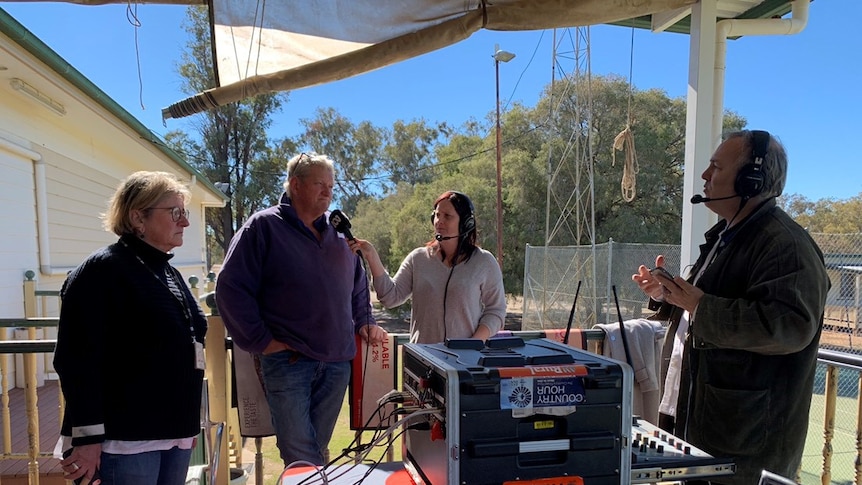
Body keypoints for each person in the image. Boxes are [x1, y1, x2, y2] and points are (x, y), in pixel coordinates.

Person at [631, 130, 830, 484]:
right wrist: (666, 296)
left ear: (751, 180)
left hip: (744, 448)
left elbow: (790, 327)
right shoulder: (725, 237)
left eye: (716, 167)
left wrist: (701, 305)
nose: (705, 177)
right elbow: (701, 306)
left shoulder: (785, 245)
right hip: (702, 426)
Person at [215, 152, 387, 467]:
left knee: (315, 453)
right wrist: (261, 341)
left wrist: (364, 319)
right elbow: (229, 287)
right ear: (295, 185)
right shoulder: (263, 227)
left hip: (336, 364)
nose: (328, 192)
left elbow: (358, 283)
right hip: (288, 361)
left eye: (331, 186)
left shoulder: (340, 235)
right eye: (319, 184)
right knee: (300, 456)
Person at [54, 171, 208, 485]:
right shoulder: (102, 270)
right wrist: (86, 438)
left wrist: (188, 425)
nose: (185, 223)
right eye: (175, 212)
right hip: (125, 441)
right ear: (138, 217)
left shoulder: (168, 271)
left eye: (185, 213)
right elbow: (76, 360)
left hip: (174, 434)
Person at [349, 190, 506, 344]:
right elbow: (390, 297)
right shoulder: (418, 258)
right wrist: (371, 256)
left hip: (465, 360)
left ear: (466, 223)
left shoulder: (484, 262)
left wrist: (474, 343)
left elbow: (496, 311)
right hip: (422, 360)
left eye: (447, 216)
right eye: (437, 215)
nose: (439, 221)